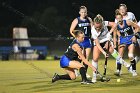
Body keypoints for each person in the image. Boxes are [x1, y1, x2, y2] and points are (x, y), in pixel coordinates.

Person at [91, 14, 130, 83]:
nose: (97, 29)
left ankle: (125, 64)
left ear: (102, 24)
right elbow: (97, 44)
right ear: (94, 24)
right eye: (96, 27)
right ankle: (94, 77)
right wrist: (104, 52)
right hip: (98, 42)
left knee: (112, 50)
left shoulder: (104, 23)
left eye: (99, 27)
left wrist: (110, 32)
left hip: (106, 39)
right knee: (95, 58)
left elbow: (115, 24)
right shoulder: (93, 31)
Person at [114, 4, 140, 74]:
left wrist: (135, 35)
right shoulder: (117, 19)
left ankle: (133, 69)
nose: (122, 10)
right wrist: (119, 37)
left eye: (123, 8)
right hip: (123, 38)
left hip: (132, 36)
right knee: (119, 55)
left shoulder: (130, 15)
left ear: (126, 9)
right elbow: (116, 29)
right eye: (120, 9)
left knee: (132, 55)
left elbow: (136, 24)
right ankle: (118, 70)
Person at [70, 6, 93, 78]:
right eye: (82, 12)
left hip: (87, 40)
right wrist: (77, 38)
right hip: (80, 41)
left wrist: (93, 36)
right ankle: (76, 69)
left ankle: (84, 73)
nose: (83, 13)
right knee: (80, 57)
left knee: (86, 58)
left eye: (85, 12)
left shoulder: (89, 19)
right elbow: (71, 30)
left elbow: (92, 29)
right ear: (79, 12)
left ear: (86, 12)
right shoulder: (76, 20)